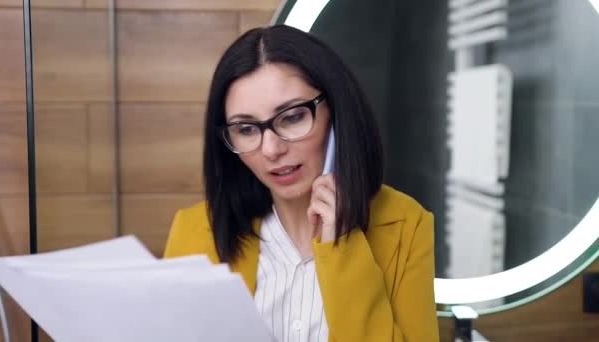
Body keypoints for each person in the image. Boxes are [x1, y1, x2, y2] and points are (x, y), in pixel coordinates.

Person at [164, 25, 439, 342]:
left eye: (292, 117)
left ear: (336, 114)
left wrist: (342, 248)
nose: (271, 149)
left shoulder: (405, 224)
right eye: (246, 129)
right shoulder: (195, 230)